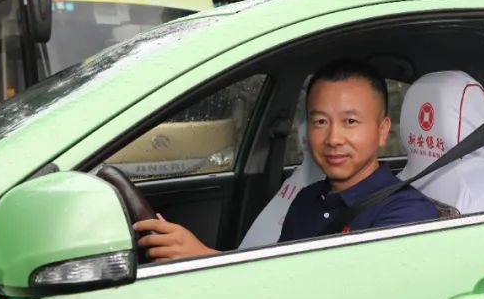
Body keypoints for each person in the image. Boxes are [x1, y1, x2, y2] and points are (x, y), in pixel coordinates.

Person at [133, 59, 438, 261]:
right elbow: (280, 279)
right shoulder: (307, 199)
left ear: (382, 130)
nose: (333, 138)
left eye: (350, 122)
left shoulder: (407, 214)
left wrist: (205, 258)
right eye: (320, 122)